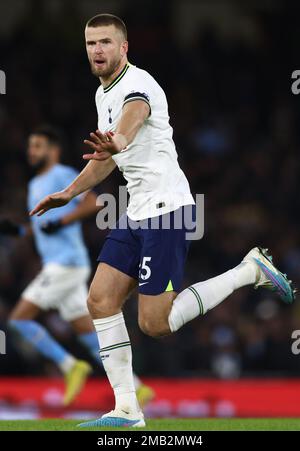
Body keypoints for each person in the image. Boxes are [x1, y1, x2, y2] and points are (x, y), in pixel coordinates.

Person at [30, 14, 296, 428]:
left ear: (124, 47)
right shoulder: (102, 94)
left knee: (156, 324)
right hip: (137, 209)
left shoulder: (139, 86)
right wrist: (70, 192)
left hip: (168, 210)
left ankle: (249, 270)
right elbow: (108, 157)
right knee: (100, 299)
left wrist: (119, 139)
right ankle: (127, 410)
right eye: (90, 43)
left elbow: (129, 126)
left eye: (105, 42)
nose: (97, 50)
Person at [0, 125, 153, 407]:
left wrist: (61, 221)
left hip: (65, 263)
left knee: (18, 320)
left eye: (38, 146)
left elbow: (93, 202)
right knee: (88, 335)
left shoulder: (62, 174)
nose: (31, 151)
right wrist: (20, 232)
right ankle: (136, 386)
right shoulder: (35, 184)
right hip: (64, 265)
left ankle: (69, 365)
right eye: (30, 146)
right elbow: (42, 226)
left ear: (53, 150)